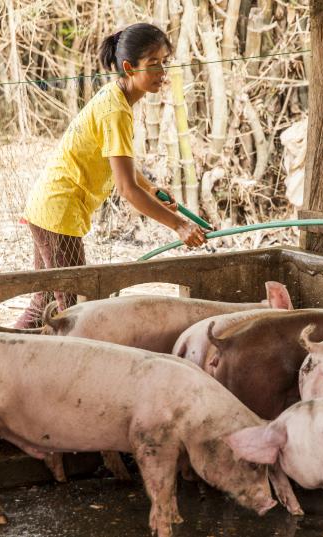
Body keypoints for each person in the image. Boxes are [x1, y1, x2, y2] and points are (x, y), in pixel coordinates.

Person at [14, 23, 207, 329]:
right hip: (59, 211)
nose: (162, 72)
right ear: (130, 68)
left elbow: (125, 170)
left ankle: (4, 359)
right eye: (153, 64)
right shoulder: (115, 111)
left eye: (164, 62)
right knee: (73, 310)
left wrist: (152, 188)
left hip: (49, 207)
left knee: (46, 303)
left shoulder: (117, 98)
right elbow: (127, 189)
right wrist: (179, 226)